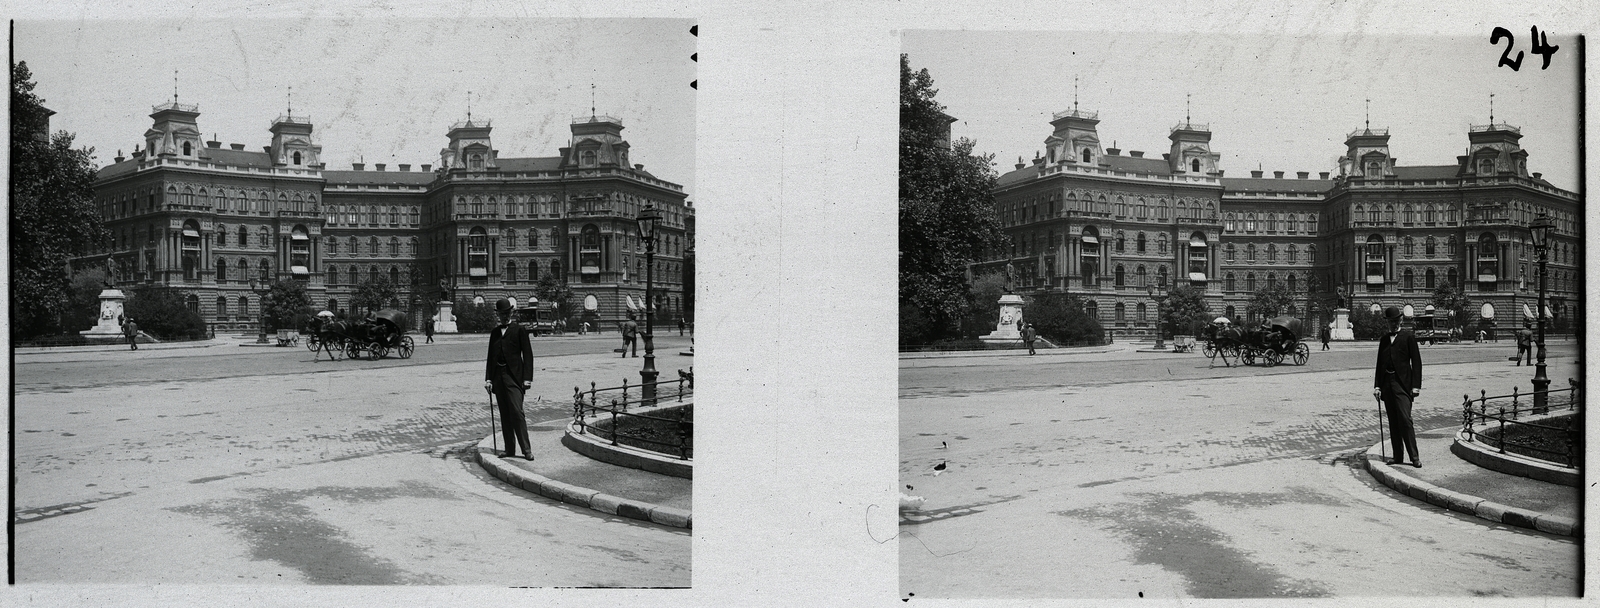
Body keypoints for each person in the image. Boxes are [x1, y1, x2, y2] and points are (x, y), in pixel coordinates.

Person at [485, 298, 534, 461]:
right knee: (505, 414)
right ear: (498, 315)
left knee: (517, 412)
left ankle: (526, 450)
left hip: (515, 378)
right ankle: (509, 449)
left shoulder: (519, 330)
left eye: (507, 313)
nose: (504, 316)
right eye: (501, 314)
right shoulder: (494, 333)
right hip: (498, 377)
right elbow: (490, 358)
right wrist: (488, 379)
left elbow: (527, 354)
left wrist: (527, 378)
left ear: (511, 313)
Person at [1374, 306, 1423, 468]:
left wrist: (1416, 386)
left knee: (1405, 419)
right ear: (1387, 322)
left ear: (1401, 320)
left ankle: (1414, 457)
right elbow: (1379, 365)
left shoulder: (1408, 337)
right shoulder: (1384, 340)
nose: (1393, 324)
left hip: (1403, 385)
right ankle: (1398, 456)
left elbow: (1416, 362)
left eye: (1396, 321)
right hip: (1387, 384)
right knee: (1393, 422)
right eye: (1390, 321)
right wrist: (1377, 386)